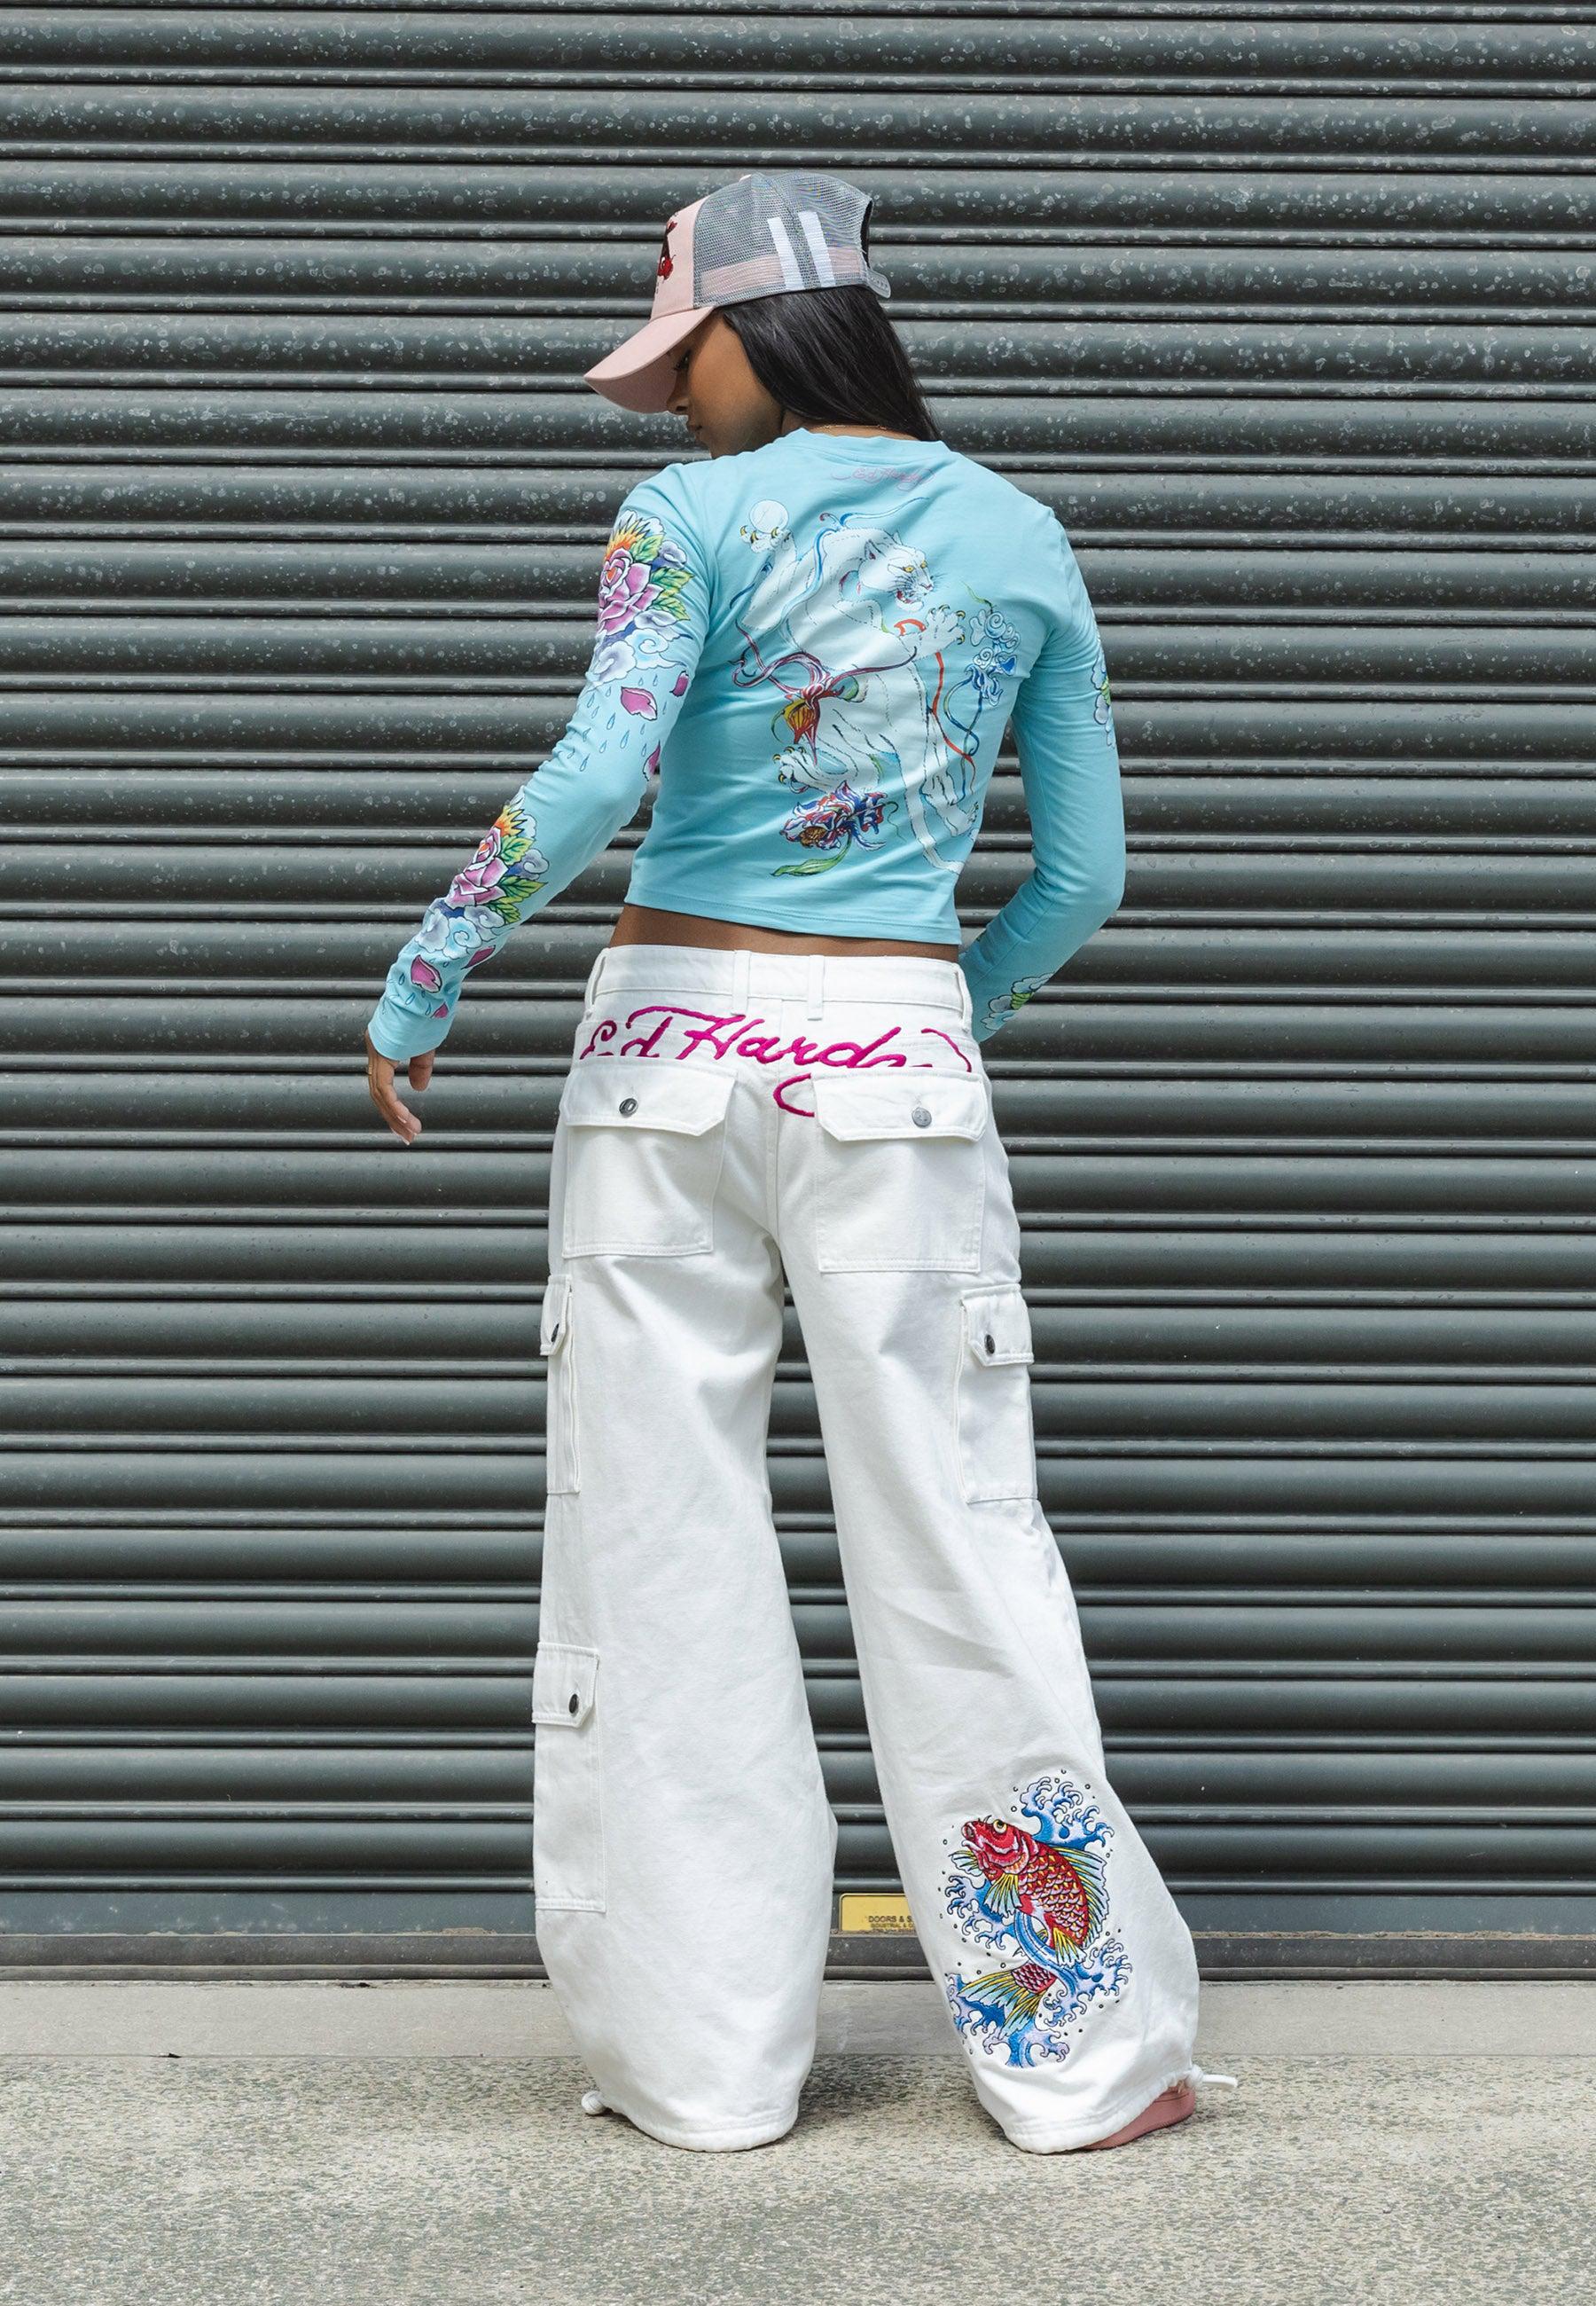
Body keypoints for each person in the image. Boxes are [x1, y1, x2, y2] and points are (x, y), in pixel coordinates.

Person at [364, 171, 1237, 2153]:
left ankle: (703, 2070)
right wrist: (936, 1008)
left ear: (763, 334)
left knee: (655, 1550)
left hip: (663, 1067)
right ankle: (1084, 2064)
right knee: (959, 1539)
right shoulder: (1019, 534)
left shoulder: (683, 520)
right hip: (891, 1076)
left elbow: (602, 769)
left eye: (686, 359)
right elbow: (1086, 880)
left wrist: (427, 977)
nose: (674, 400)